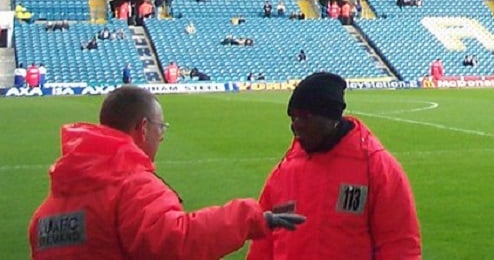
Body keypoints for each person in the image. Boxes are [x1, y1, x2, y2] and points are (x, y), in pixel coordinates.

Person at [29, 85, 303, 258]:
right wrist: (251, 218)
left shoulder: (46, 212)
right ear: (144, 127)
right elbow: (176, 241)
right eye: (161, 128)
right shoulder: (132, 187)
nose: (161, 137)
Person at [249, 72, 421, 259]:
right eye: (293, 118)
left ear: (332, 119)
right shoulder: (284, 172)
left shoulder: (375, 167)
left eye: (305, 117)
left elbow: (399, 245)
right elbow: (262, 244)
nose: (296, 125)